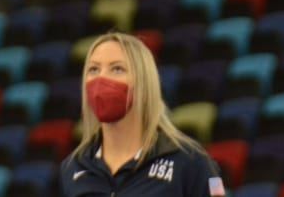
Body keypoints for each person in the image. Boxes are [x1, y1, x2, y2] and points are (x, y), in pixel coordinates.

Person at [61, 33, 226, 197]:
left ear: (143, 81)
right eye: (93, 69)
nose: (101, 78)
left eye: (117, 69)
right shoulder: (71, 167)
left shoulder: (193, 160)